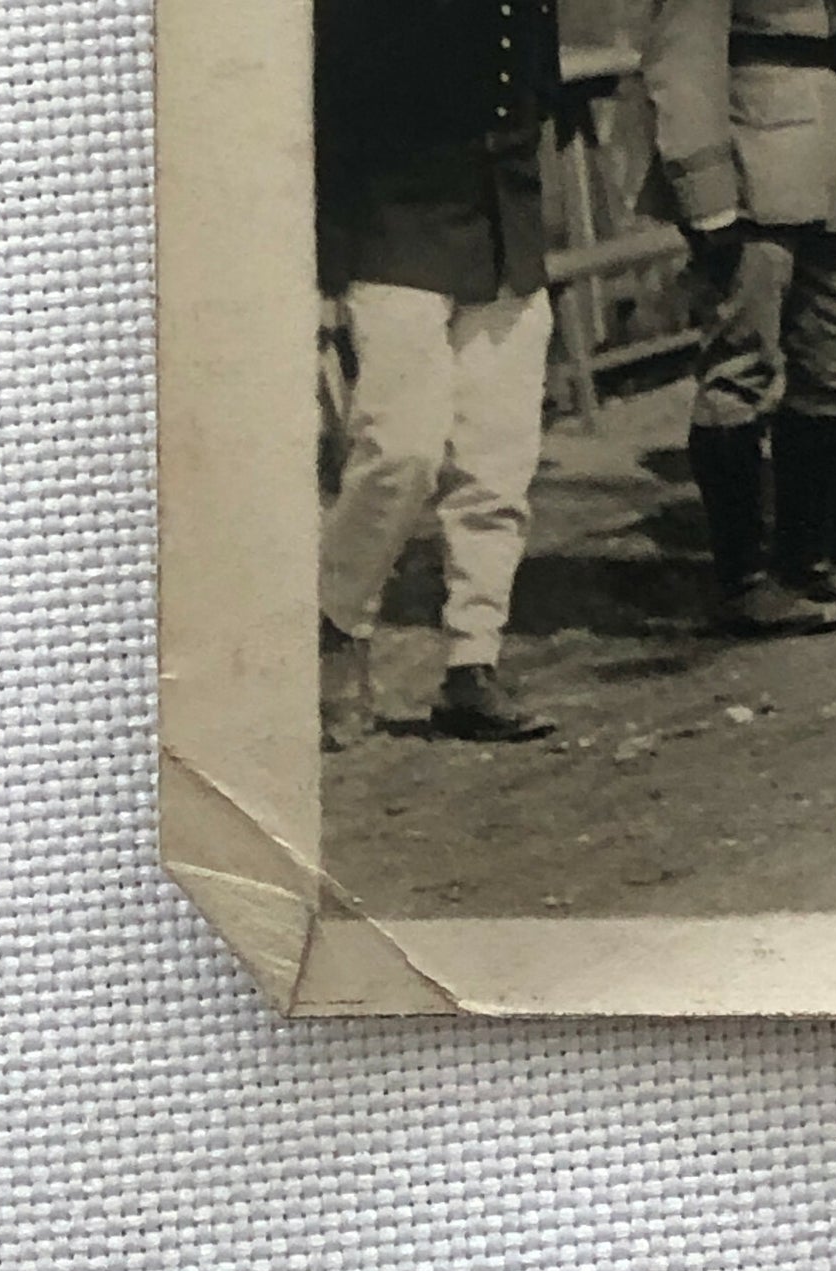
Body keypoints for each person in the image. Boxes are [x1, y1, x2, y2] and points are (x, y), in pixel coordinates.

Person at [313, 0, 562, 749]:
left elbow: (536, 87)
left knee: (497, 459)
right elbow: (324, 114)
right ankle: (331, 626)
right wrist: (322, 272)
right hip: (396, 227)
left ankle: (471, 663)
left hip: (504, 228)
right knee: (402, 448)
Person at [643, 0, 836, 635]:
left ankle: (803, 564)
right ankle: (742, 582)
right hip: (751, 177)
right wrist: (706, 194)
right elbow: (680, 62)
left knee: (835, 358)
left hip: (826, 165)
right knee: (740, 368)